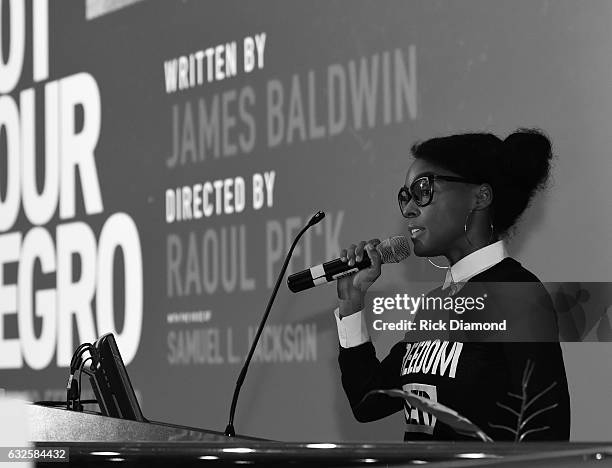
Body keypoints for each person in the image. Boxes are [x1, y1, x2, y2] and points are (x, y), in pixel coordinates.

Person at [335, 129, 570, 441]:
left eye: (423, 189)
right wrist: (352, 303)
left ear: (480, 196)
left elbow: (546, 435)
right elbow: (368, 401)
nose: (408, 209)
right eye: (405, 196)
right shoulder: (435, 305)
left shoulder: (517, 295)